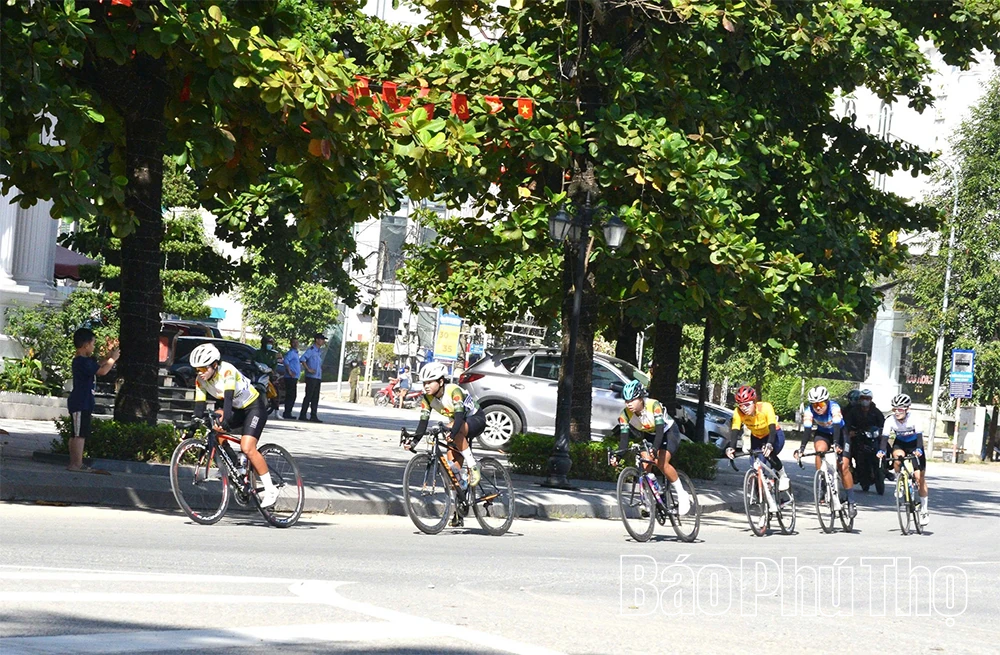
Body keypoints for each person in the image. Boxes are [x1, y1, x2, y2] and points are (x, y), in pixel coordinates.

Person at [189, 343, 278, 507]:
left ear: (214, 365)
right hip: (238, 409)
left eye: (202, 369)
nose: (199, 373)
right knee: (214, 430)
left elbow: (228, 401)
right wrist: (191, 429)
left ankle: (270, 489)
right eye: (196, 370)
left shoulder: (227, 371)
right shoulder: (200, 381)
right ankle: (235, 463)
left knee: (247, 447)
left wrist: (225, 420)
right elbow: (199, 409)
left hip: (254, 407)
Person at [403, 362, 484, 511]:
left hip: (475, 419)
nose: (425, 386)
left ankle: (473, 466)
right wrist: (413, 442)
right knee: (452, 471)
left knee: (453, 428)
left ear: (441, 381)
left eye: (429, 382)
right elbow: (423, 423)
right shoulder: (427, 398)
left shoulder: (454, 390)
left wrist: (451, 434)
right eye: (424, 382)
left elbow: (459, 417)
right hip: (457, 425)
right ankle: (457, 511)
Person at [608, 380, 692, 515]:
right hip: (650, 435)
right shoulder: (624, 415)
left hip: (668, 432)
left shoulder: (654, 405)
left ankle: (682, 495)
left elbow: (659, 431)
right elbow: (624, 440)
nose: (629, 404)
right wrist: (617, 456)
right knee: (645, 467)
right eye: (626, 400)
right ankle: (654, 496)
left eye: (633, 400)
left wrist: (654, 449)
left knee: (661, 463)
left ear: (641, 398)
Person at [794, 386, 856, 518]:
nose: (817, 407)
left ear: (827, 401)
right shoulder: (808, 411)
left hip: (840, 434)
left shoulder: (834, 407)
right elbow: (807, 430)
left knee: (843, 467)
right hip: (823, 434)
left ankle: (851, 501)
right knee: (819, 451)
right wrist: (802, 448)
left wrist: (836, 444)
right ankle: (822, 480)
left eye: (821, 404)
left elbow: (837, 426)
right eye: (814, 404)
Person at [66, 328, 119, 472]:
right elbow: (102, 371)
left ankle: (75, 462)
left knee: (77, 433)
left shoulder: (84, 361)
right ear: (85, 345)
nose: (94, 346)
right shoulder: (82, 361)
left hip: (83, 401)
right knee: (79, 435)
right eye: (93, 343)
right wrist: (112, 359)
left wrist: (108, 358)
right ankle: (76, 464)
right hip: (80, 401)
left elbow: (98, 365)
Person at [725, 385, 790, 494]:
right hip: (756, 437)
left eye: (747, 404)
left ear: (754, 402)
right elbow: (735, 429)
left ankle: (783, 476)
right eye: (741, 405)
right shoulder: (738, 412)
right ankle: (764, 497)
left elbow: (772, 428)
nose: (744, 408)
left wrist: (770, 444)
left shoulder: (765, 407)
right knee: (757, 467)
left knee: (768, 454)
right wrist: (731, 447)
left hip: (774, 435)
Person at [878, 393, 930, 526]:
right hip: (900, 443)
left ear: (907, 409)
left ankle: (924, 510)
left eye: (900, 409)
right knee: (897, 458)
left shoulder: (914, 419)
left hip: (914, 445)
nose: (897, 412)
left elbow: (919, 438)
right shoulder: (890, 420)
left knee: (920, 478)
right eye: (894, 409)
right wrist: (882, 451)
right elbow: (884, 438)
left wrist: (919, 450)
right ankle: (899, 480)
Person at [844, 388, 891, 480]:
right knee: (849, 448)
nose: (865, 400)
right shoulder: (853, 411)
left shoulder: (876, 411)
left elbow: (883, 423)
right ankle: (852, 470)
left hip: (873, 436)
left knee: (887, 447)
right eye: (863, 398)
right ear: (860, 399)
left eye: (867, 398)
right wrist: (850, 432)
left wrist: (882, 431)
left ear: (871, 399)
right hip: (858, 437)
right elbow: (847, 423)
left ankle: (885, 469)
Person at [298, 333, 326, 422]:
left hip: (317, 377)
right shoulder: (311, 350)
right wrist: (308, 369)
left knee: (315, 397)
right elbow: (302, 359)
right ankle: (303, 414)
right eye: (321, 339)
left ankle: (313, 415)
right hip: (311, 377)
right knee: (308, 396)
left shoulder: (319, 351)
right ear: (317, 340)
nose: (323, 341)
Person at [281, 337, 301, 419]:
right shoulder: (291, 353)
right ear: (291, 344)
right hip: (290, 378)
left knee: (292, 395)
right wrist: (289, 371)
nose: (296, 344)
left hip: (294, 378)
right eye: (294, 342)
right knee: (291, 395)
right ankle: (287, 413)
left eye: (297, 342)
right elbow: (286, 361)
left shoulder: (296, 353)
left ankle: (288, 412)